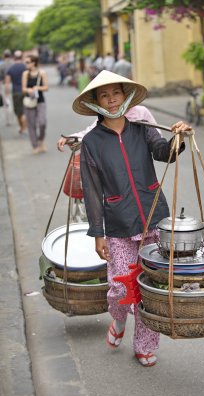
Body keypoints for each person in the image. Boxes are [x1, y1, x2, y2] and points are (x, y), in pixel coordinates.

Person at [72, 70, 191, 367]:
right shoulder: (92, 143)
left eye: (116, 93)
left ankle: (144, 345)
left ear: (125, 96)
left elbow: (165, 152)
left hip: (153, 217)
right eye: (104, 95)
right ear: (96, 101)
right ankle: (119, 320)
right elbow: (92, 190)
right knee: (121, 288)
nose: (111, 101)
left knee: (148, 289)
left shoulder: (142, 128)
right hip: (118, 224)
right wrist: (98, 233)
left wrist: (178, 137)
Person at [57, 104, 161, 151]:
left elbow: (157, 135)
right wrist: (70, 138)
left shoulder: (141, 111)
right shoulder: (108, 116)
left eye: (116, 93)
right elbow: (89, 133)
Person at [22, 54, 48, 154]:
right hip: (29, 101)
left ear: (34, 62)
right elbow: (23, 89)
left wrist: (37, 88)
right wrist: (29, 90)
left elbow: (46, 87)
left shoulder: (42, 73)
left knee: (42, 122)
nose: (26, 64)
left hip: (40, 100)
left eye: (28, 62)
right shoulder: (25, 74)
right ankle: (35, 145)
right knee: (31, 124)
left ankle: (41, 140)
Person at [5, 50, 27, 134]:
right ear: (21, 57)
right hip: (25, 91)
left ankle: (22, 127)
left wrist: (7, 94)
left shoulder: (11, 68)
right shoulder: (25, 67)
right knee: (25, 110)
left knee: (18, 112)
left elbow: (7, 83)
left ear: (14, 58)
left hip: (15, 92)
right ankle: (24, 127)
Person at [0, 49, 13, 126]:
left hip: (5, 85)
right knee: (13, 101)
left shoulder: (2, 65)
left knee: (6, 103)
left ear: (4, 55)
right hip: (14, 84)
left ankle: (8, 120)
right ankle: (14, 118)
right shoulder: (13, 64)